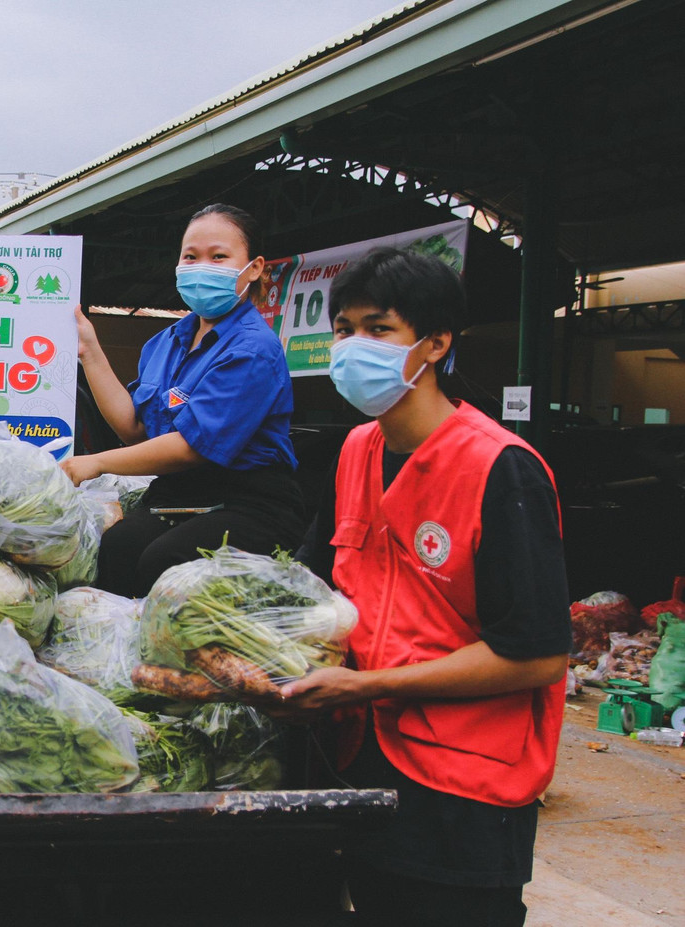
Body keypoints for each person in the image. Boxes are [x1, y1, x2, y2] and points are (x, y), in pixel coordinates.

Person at [283, 247, 571, 926]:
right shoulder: (358, 449)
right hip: (363, 758)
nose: (353, 347)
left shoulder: (501, 468)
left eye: (378, 329)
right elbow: (314, 579)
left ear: (436, 343)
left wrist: (371, 684)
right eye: (345, 329)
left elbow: (536, 654)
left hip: (462, 787)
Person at [61, 203, 306, 597]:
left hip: (249, 500)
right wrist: (89, 350)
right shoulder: (166, 341)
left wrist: (95, 462)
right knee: (114, 551)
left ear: (255, 267)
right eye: (190, 256)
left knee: (164, 563)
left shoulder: (253, 348)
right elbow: (133, 428)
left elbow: (193, 448)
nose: (201, 266)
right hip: (179, 495)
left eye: (218, 256)